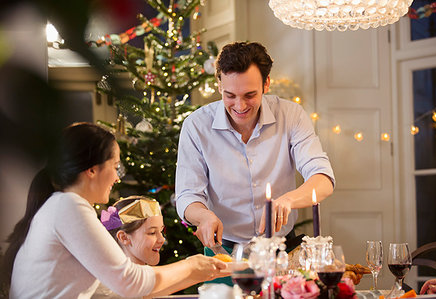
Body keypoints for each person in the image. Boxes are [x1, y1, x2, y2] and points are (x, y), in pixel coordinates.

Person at [2, 122, 228, 298]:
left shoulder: (60, 205)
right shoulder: (68, 206)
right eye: (115, 166)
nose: (117, 177)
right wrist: (191, 265)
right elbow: (129, 282)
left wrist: (200, 270)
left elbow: (132, 288)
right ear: (92, 170)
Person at [175, 41, 335, 257]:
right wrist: (203, 216)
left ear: (266, 84)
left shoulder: (291, 115)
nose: (240, 106)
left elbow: (322, 178)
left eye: (250, 95)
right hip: (224, 250)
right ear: (220, 84)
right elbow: (187, 194)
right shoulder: (196, 125)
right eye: (230, 95)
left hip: (282, 250)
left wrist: (288, 200)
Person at [93, 195, 201, 298]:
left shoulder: (144, 284)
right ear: (124, 238)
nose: (162, 239)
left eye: (161, 231)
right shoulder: (109, 288)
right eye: (152, 233)